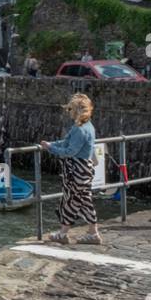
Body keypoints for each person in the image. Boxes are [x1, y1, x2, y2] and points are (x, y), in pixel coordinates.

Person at [40, 93, 101, 245]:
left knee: (71, 200)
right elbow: (67, 142)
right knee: (82, 200)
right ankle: (92, 233)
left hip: (77, 170)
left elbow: (69, 151)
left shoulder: (80, 129)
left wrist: (51, 148)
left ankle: (64, 234)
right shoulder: (87, 127)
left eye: (70, 109)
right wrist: (52, 144)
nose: (69, 112)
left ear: (75, 111)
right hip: (83, 169)